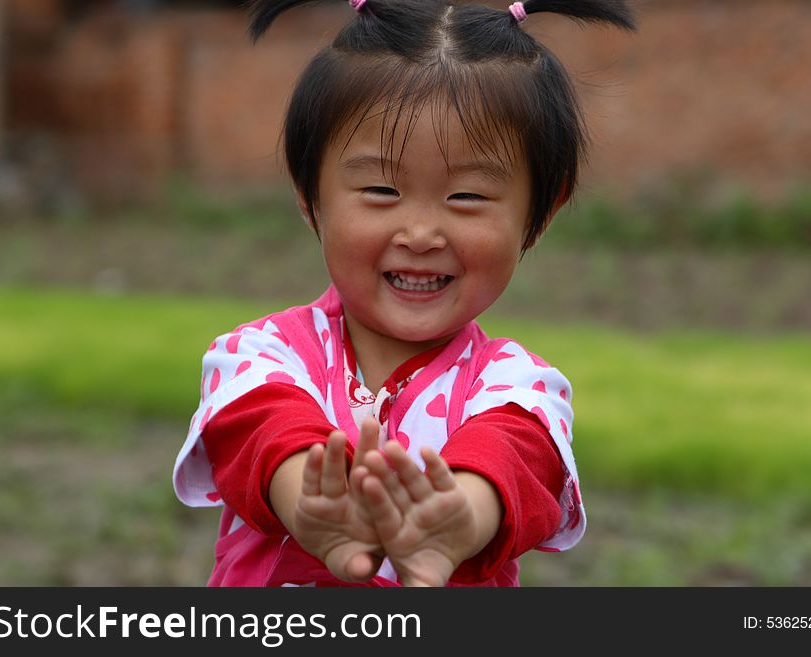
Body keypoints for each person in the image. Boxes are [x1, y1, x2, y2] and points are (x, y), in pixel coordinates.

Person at [173, 0, 636, 587]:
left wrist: (458, 519)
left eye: (468, 196)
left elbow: (517, 452)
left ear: (542, 210)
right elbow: (260, 425)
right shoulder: (257, 356)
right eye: (380, 189)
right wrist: (313, 502)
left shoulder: (521, 386)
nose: (420, 233)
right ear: (309, 192)